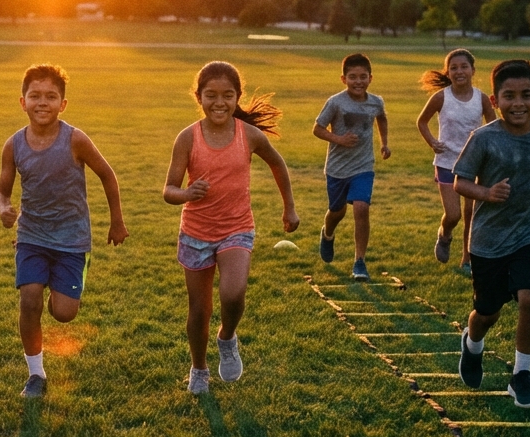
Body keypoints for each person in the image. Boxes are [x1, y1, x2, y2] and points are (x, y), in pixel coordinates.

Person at [163, 62, 300, 394]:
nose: (219, 102)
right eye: (211, 95)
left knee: (233, 293)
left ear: (238, 98)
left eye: (228, 95)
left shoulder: (248, 134)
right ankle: (199, 369)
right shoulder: (187, 137)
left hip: (237, 228)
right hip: (196, 231)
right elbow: (169, 190)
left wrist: (290, 207)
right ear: (199, 97)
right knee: (199, 309)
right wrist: (187, 193)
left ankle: (227, 337)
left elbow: (277, 162)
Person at [0, 64, 128, 398]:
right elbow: (2, 192)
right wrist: (3, 209)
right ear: (22, 102)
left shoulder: (75, 139)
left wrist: (117, 222)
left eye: (51, 96)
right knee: (29, 300)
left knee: (65, 313)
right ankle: (36, 375)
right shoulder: (13, 145)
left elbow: (107, 175)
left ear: (63, 104)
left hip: (71, 239)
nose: (43, 102)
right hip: (31, 236)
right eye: (35, 96)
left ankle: (58, 288)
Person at [453, 59, 530, 409]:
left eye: (526, 95)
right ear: (495, 99)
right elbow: (459, 181)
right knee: (487, 313)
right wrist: (487, 193)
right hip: (489, 240)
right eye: (509, 96)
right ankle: (472, 345)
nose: (518, 103)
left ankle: (521, 375)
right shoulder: (484, 138)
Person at [415, 49, 496, 274]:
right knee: (454, 215)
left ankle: (467, 258)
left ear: (472, 70)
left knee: (471, 213)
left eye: (463, 67)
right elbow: (422, 122)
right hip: (446, 161)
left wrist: (488, 152)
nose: (459, 71)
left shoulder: (481, 98)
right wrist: (432, 141)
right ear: (448, 72)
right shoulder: (442, 97)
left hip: (474, 163)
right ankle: (445, 234)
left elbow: (493, 127)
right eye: (454, 68)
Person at [313, 53, 390, 281]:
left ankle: (359, 262)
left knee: (361, 208)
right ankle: (327, 234)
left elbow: (382, 118)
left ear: (370, 78)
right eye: (353, 77)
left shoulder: (376, 101)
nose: (358, 81)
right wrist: (339, 139)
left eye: (363, 77)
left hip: (363, 166)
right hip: (337, 168)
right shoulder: (336, 102)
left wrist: (384, 143)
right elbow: (317, 129)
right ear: (343, 79)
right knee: (337, 212)